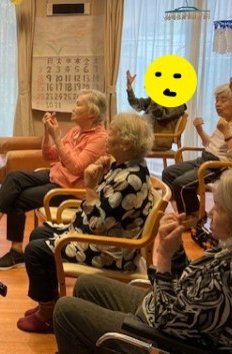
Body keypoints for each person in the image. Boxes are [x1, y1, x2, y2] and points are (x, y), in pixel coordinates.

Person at [53, 168, 232, 353]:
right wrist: (176, 251)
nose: (210, 213)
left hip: (161, 337)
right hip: (164, 307)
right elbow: (191, 286)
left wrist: (164, 259)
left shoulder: (231, 275)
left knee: (64, 311)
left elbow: (167, 320)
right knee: (85, 284)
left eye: (218, 208)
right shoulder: (231, 247)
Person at [16, 113, 154, 333]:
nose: (107, 137)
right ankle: (49, 302)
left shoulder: (129, 180)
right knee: (38, 234)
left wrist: (90, 187)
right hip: (96, 236)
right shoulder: (125, 168)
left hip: (109, 252)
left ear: (126, 144)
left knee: (35, 251)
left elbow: (97, 224)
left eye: (112, 134)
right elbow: (102, 212)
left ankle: (46, 314)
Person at [0, 90, 108, 271]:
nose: (73, 108)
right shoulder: (75, 131)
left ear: (92, 113)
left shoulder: (100, 139)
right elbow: (48, 155)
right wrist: (48, 133)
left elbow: (76, 167)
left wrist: (57, 138)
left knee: (19, 199)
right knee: (13, 177)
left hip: (70, 190)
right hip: (55, 176)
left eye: (78, 104)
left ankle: (16, 251)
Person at [162, 83, 232, 216]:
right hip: (204, 159)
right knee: (168, 173)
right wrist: (200, 130)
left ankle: (197, 217)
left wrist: (227, 133)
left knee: (182, 183)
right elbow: (212, 145)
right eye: (216, 100)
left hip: (219, 165)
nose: (217, 104)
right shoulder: (224, 121)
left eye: (223, 100)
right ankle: (182, 213)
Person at [126, 69, 186, 151]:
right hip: (142, 133)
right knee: (122, 132)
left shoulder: (178, 104)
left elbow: (161, 115)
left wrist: (154, 103)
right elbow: (136, 105)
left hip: (155, 138)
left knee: (124, 139)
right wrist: (129, 87)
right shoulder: (158, 98)